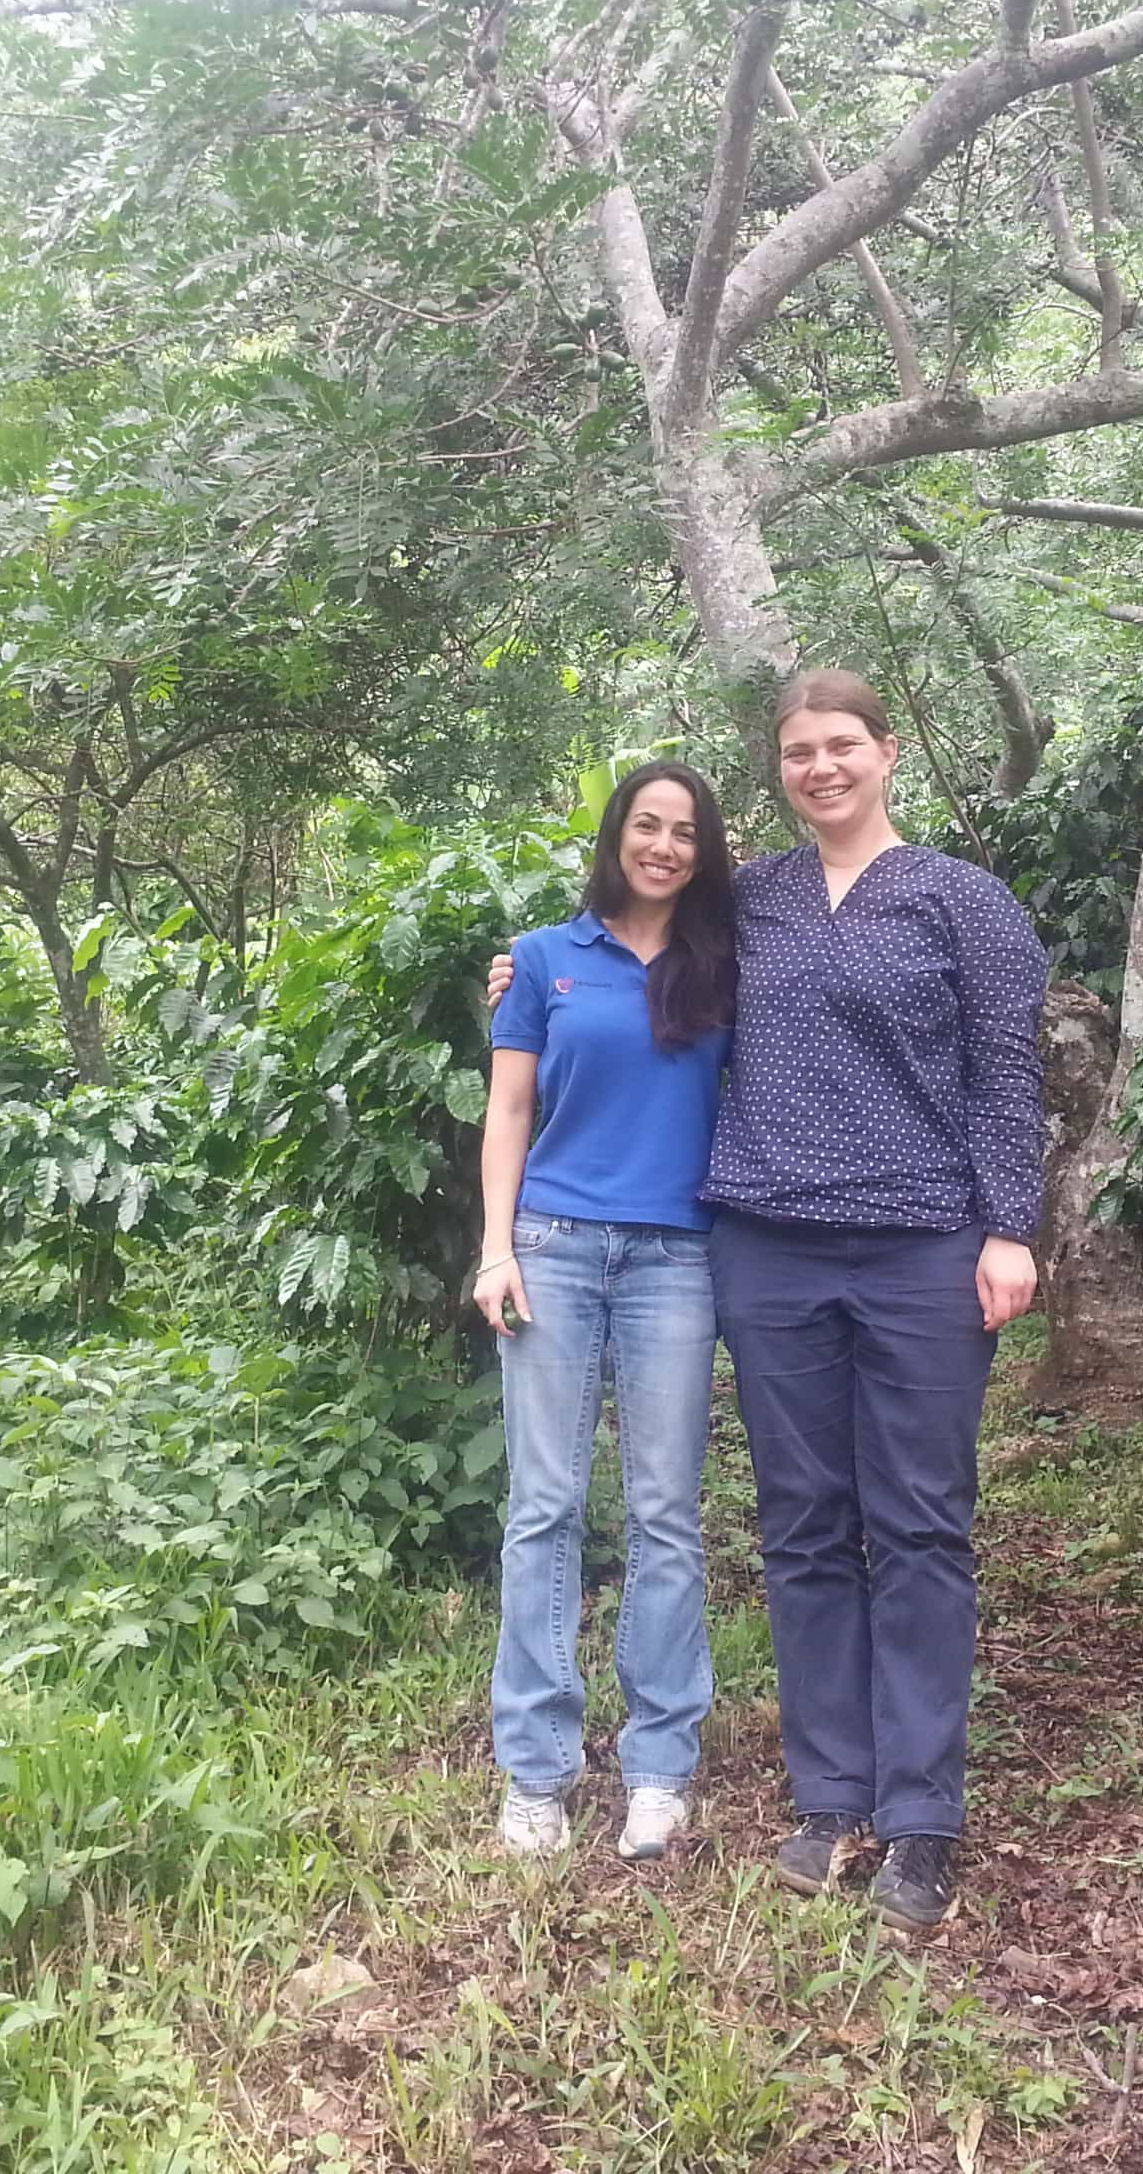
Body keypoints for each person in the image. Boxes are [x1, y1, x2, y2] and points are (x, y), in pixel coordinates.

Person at [490, 672, 1047, 1932]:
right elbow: (636, 948)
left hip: (921, 1248)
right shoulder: (754, 905)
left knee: (917, 1522)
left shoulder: (964, 901)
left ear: (885, 753)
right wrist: (517, 985)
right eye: (797, 752)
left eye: (839, 746)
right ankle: (825, 1793)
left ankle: (916, 1818)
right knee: (801, 1524)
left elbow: (1006, 1075)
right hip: (766, 1247)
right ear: (781, 770)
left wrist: (1011, 1225)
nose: (819, 768)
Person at [475, 761, 737, 1863]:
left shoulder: (728, 963)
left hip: (677, 1255)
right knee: (543, 1507)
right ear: (615, 835)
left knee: (665, 1512)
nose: (664, 846)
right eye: (647, 825)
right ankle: (535, 1771)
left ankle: (658, 1766)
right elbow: (509, 1111)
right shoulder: (541, 961)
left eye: (684, 832)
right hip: (554, 1248)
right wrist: (493, 1249)